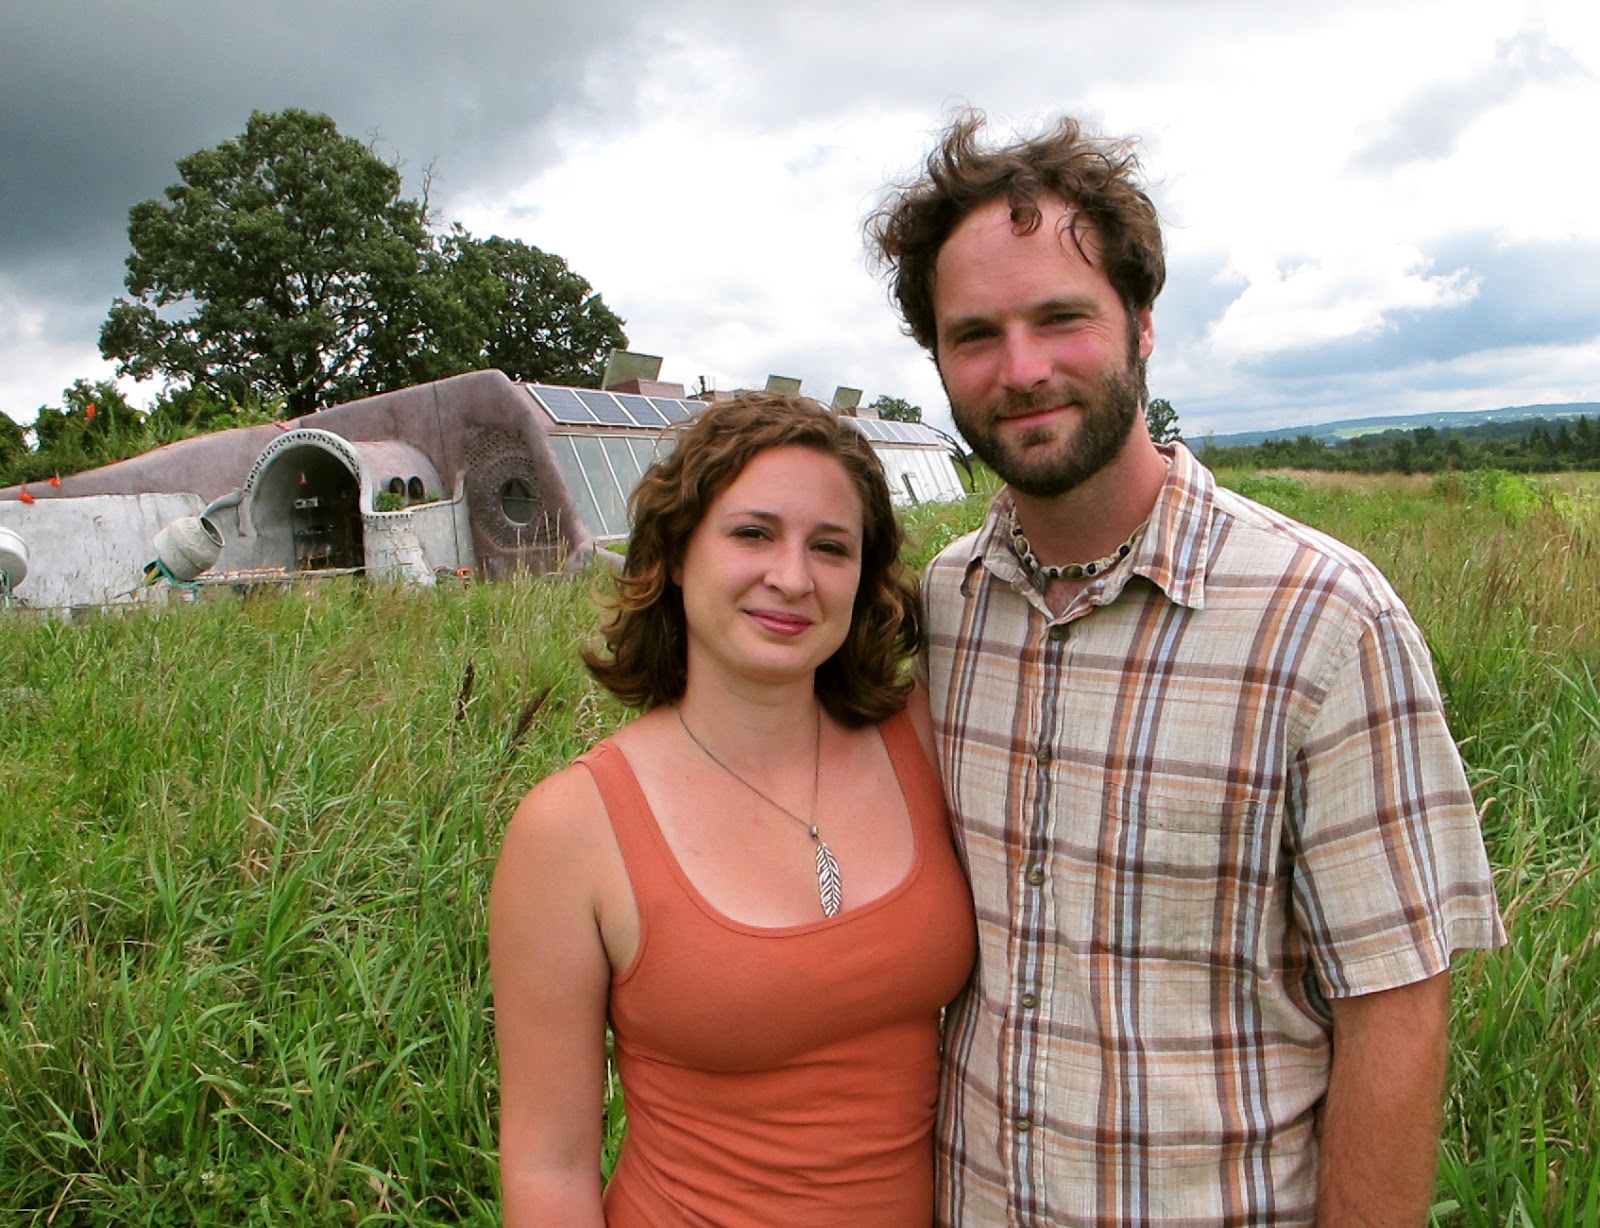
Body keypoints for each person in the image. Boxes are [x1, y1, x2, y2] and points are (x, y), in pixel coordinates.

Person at [867, 112, 1505, 1226]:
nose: (1020, 370)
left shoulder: (1322, 619)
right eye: (975, 335)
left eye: (1061, 318)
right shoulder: (942, 609)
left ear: (1142, 325)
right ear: (937, 359)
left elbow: (1396, 1010)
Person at [489, 391, 977, 1226]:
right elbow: (548, 1165)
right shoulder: (573, 829)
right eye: (752, 533)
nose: (791, 577)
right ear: (677, 555)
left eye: (830, 546)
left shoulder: (926, 743)